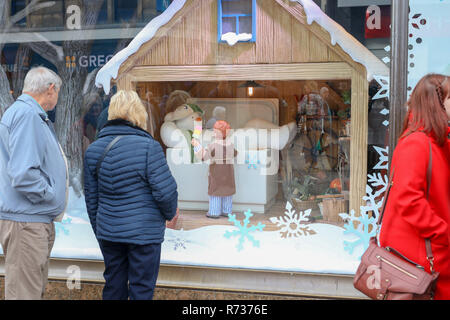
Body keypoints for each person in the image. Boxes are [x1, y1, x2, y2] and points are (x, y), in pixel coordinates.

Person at [83, 90, 178, 300]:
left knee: (113, 287)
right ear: (138, 113)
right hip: (144, 235)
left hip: (109, 233)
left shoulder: (93, 150)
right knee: (141, 289)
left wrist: (102, 230)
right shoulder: (149, 148)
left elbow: (91, 200)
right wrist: (168, 215)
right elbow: (166, 193)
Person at [379, 73, 450, 300]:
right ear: (437, 103)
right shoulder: (417, 142)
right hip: (423, 258)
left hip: (432, 254)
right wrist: (443, 232)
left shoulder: (436, 142)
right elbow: (408, 198)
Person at [0, 66, 68, 300]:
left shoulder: (27, 114)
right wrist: (49, 196)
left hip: (29, 221)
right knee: (24, 295)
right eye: (58, 92)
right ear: (51, 89)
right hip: (27, 224)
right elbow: (23, 174)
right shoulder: (27, 115)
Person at [192, 120, 238, 219]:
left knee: (215, 192)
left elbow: (204, 157)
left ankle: (214, 212)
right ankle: (227, 211)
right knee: (227, 191)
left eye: (215, 131)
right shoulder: (230, 144)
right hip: (228, 173)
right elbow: (235, 153)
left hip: (217, 173)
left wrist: (197, 146)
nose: (214, 133)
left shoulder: (213, 145)